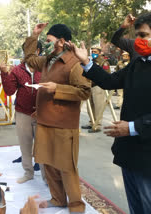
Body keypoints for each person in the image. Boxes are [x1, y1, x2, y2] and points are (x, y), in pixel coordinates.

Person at [68, 12, 151, 214]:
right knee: (136, 208)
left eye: (145, 35)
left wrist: (131, 127)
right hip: (129, 153)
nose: (140, 41)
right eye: (138, 36)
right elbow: (110, 81)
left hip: (147, 157)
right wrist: (87, 62)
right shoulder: (137, 64)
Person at [24, 23, 91, 213]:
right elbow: (29, 59)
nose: (46, 43)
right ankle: (58, 198)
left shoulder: (74, 63)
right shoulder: (48, 60)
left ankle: (76, 206)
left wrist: (58, 89)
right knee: (49, 163)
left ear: (62, 41)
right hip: (45, 121)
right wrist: (34, 35)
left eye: (49, 40)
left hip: (63, 124)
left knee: (66, 166)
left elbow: (84, 91)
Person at [0, 42, 42, 184]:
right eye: (25, 51)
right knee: (25, 144)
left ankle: (48, 177)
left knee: (43, 146)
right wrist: (5, 74)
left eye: (31, 50)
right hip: (23, 113)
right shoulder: (18, 70)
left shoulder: (46, 68)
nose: (27, 54)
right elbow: (10, 91)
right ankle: (28, 172)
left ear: (38, 51)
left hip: (43, 113)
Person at [81, 45, 110, 133]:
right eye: (92, 52)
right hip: (90, 85)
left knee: (98, 105)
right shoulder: (90, 61)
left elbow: (107, 75)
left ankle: (97, 124)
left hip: (98, 86)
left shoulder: (104, 62)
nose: (93, 53)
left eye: (95, 52)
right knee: (90, 105)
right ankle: (91, 122)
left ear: (100, 52)